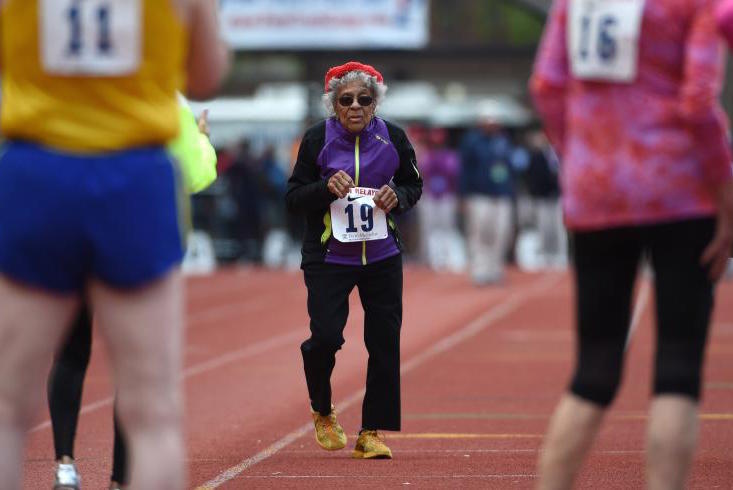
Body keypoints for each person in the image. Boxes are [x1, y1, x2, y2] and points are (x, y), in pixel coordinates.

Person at [0, 1, 229, 488]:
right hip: (133, 176)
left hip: (39, 170)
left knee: (6, 407)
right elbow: (206, 73)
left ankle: (62, 463)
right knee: (154, 411)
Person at [530, 0, 733, 487]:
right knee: (678, 367)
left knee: (594, 370)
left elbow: (546, 87)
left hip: (595, 187)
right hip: (678, 188)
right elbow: (699, 101)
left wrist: (580, 159)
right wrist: (726, 193)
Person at [48, 104, 218, 490]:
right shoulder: (158, 93)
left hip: (68, 236)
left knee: (71, 353)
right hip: (131, 240)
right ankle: (119, 480)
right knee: (131, 365)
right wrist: (203, 139)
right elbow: (194, 173)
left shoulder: (61, 83)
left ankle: (65, 466)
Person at [286, 61, 422, 459]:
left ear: (376, 103)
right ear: (334, 105)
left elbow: (415, 183)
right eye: (347, 101)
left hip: (382, 255)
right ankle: (323, 408)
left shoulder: (394, 138)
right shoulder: (316, 140)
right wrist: (324, 188)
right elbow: (293, 197)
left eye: (365, 99)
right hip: (330, 256)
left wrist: (400, 196)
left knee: (384, 342)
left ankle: (371, 433)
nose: (356, 107)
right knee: (325, 337)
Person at [458, 112, 519, 285]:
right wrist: (463, 195)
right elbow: (465, 171)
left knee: (501, 232)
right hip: (479, 195)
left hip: (502, 195)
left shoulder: (504, 141)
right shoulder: (472, 142)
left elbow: (510, 169)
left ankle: (496, 268)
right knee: (479, 233)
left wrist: (512, 192)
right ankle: (480, 269)